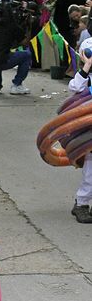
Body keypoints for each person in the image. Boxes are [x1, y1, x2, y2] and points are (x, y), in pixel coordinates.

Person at [67, 37, 92, 223]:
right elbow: (74, 88)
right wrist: (86, 67)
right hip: (88, 134)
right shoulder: (84, 79)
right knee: (91, 173)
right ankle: (81, 203)